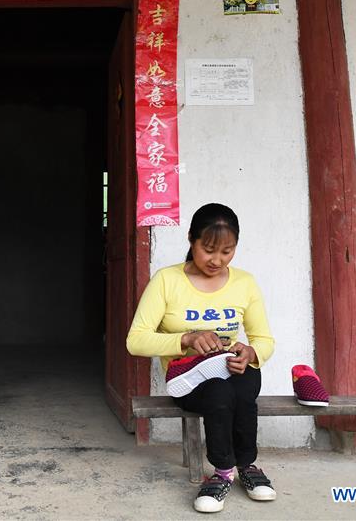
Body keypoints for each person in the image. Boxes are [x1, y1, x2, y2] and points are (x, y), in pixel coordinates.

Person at [126, 203, 276, 513]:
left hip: (229, 371)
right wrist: (187, 339)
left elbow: (264, 340)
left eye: (227, 251)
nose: (217, 260)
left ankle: (247, 466)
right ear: (191, 239)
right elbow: (135, 341)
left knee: (247, 376)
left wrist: (249, 353)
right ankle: (223, 472)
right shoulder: (167, 281)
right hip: (188, 379)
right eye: (208, 250)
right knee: (220, 392)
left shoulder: (245, 283)